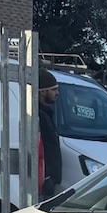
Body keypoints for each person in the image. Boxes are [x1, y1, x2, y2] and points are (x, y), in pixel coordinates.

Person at [38, 69, 62, 199]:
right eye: (53, 90)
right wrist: (47, 176)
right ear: (42, 91)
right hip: (44, 181)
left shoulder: (46, 114)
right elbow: (42, 147)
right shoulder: (39, 116)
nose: (57, 93)